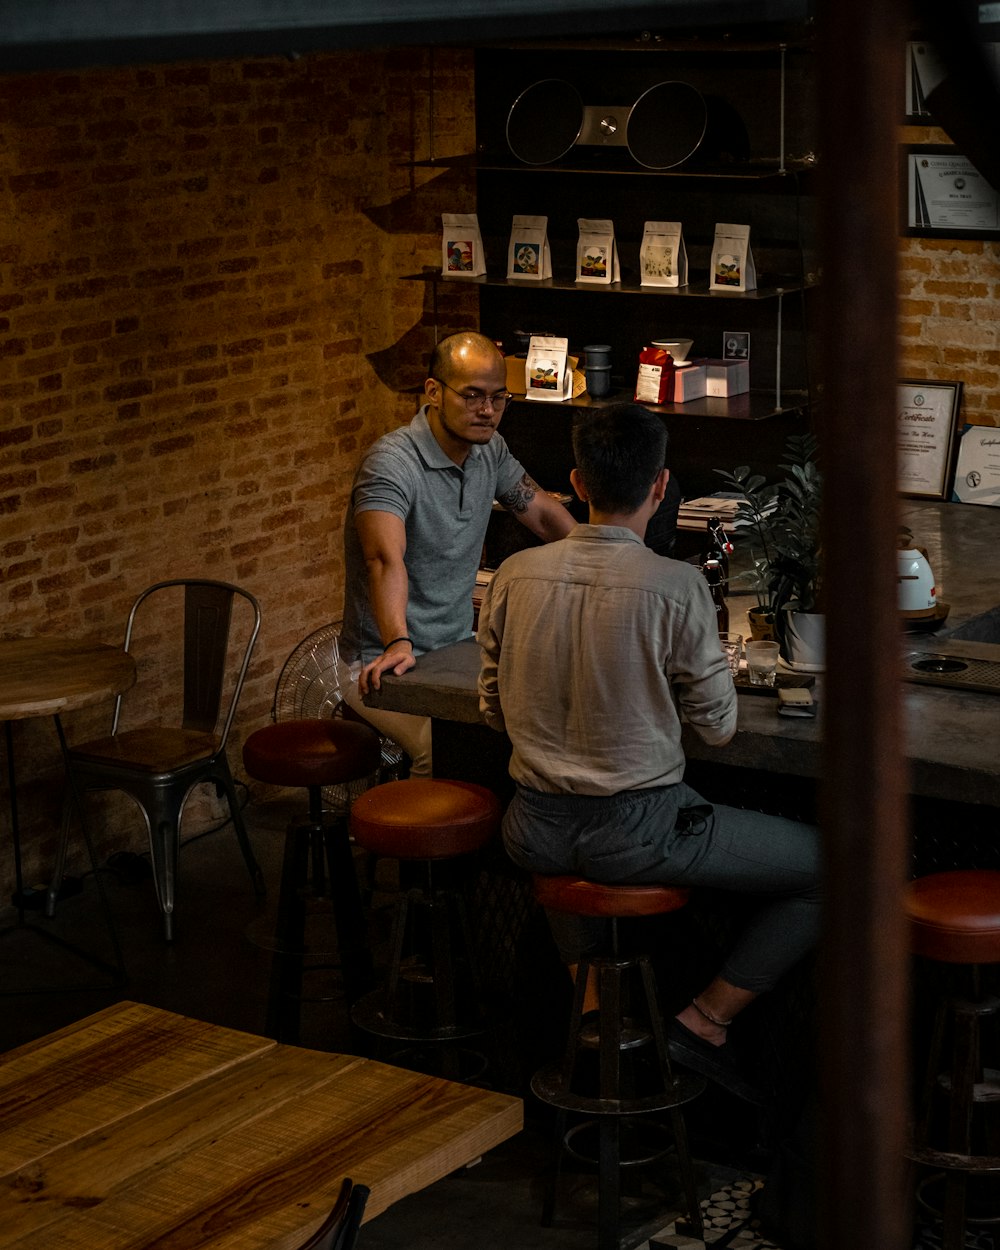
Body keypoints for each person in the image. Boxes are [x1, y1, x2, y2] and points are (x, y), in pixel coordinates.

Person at [476, 402, 821, 1103]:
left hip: (532, 828)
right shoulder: (677, 585)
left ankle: (605, 1022)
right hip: (634, 834)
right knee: (834, 868)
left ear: (576, 482)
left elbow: (491, 709)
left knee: (566, 851)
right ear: (663, 487)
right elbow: (718, 728)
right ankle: (703, 1022)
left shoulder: (514, 573)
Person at [339, 331, 575, 776]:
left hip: (456, 653)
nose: (487, 411)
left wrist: (609, 559)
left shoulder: (490, 451)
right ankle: (412, 844)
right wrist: (397, 641)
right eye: (472, 396)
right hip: (380, 662)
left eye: (498, 398)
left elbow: (543, 514)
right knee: (443, 753)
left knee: (523, 733)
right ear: (433, 391)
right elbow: (383, 559)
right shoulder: (390, 464)